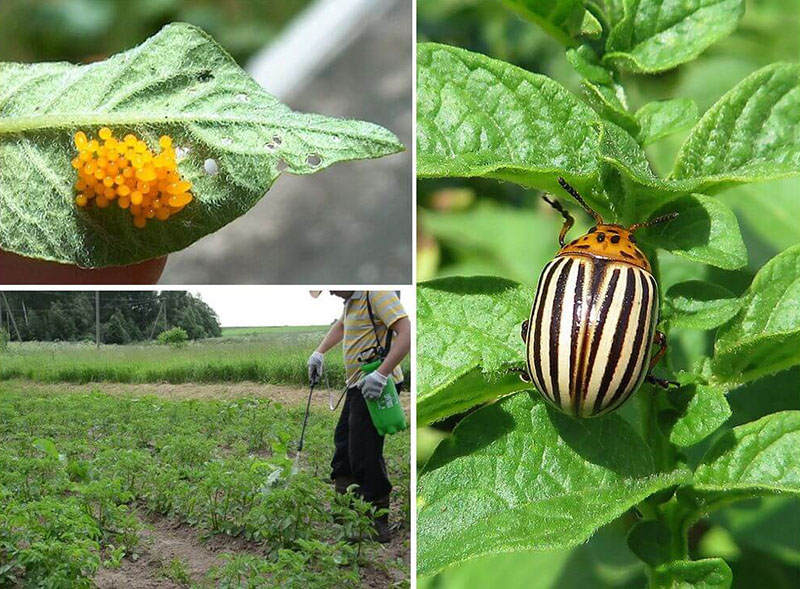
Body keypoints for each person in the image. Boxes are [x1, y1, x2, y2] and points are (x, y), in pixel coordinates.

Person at [307, 291, 410, 543]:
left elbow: (406, 332)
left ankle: (377, 518)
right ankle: (346, 507)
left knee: (364, 450)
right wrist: (319, 352)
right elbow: (343, 324)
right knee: (343, 443)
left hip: (377, 383)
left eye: (332, 286)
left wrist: (382, 374)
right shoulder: (351, 301)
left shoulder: (376, 292)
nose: (330, 291)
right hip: (356, 386)